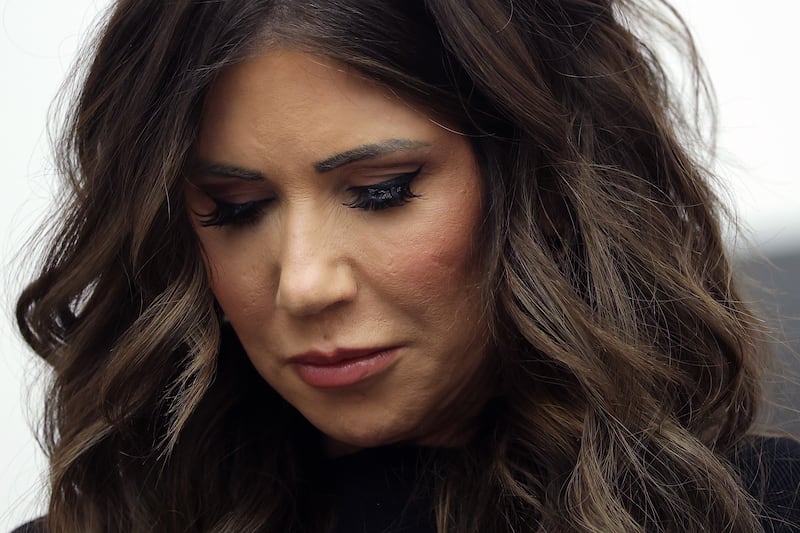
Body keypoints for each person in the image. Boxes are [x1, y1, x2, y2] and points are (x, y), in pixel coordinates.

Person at [12, 0, 800, 532]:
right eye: (235, 207)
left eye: (380, 192)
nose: (306, 283)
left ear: (544, 187)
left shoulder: (754, 509)